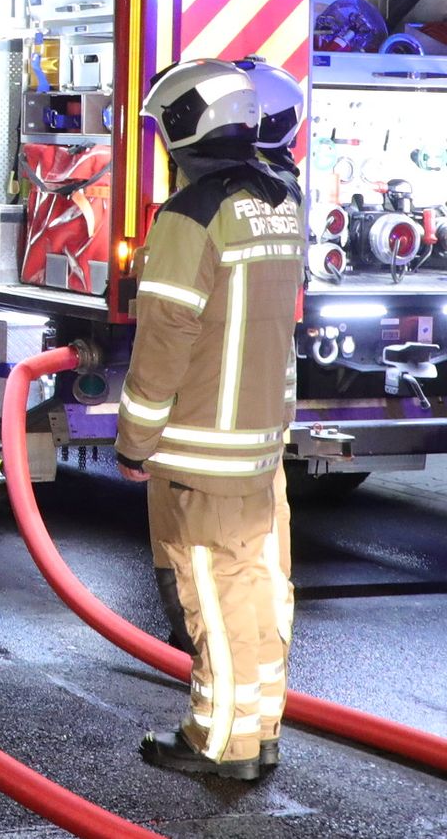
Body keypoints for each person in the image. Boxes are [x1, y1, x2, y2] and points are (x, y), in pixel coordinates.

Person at [118, 59, 302, 781]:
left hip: (200, 452)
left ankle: (221, 743)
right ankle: (260, 727)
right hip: (260, 446)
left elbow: (165, 339)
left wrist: (134, 442)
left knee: (213, 600)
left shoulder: (190, 215)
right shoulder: (281, 200)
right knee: (259, 584)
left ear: (183, 129)